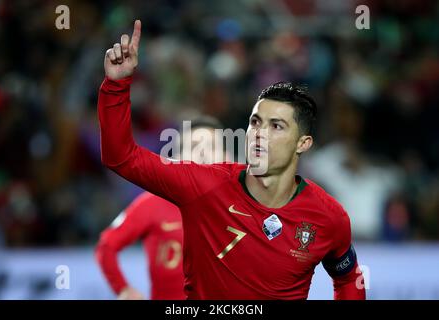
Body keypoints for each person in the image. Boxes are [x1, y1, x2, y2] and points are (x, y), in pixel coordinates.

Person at [98, 20, 366, 299]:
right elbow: (121, 157)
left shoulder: (329, 217)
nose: (260, 134)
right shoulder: (203, 186)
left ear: (303, 143)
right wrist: (117, 85)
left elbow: (347, 279)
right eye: (255, 122)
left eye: (276, 126)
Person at [95, 116, 226, 300]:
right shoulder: (153, 203)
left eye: (212, 146)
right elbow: (106, 247)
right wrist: (123, 289)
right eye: (195, 146)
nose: (203, 153)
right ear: (178, 157)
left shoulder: (242, 205)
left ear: (226, 156)